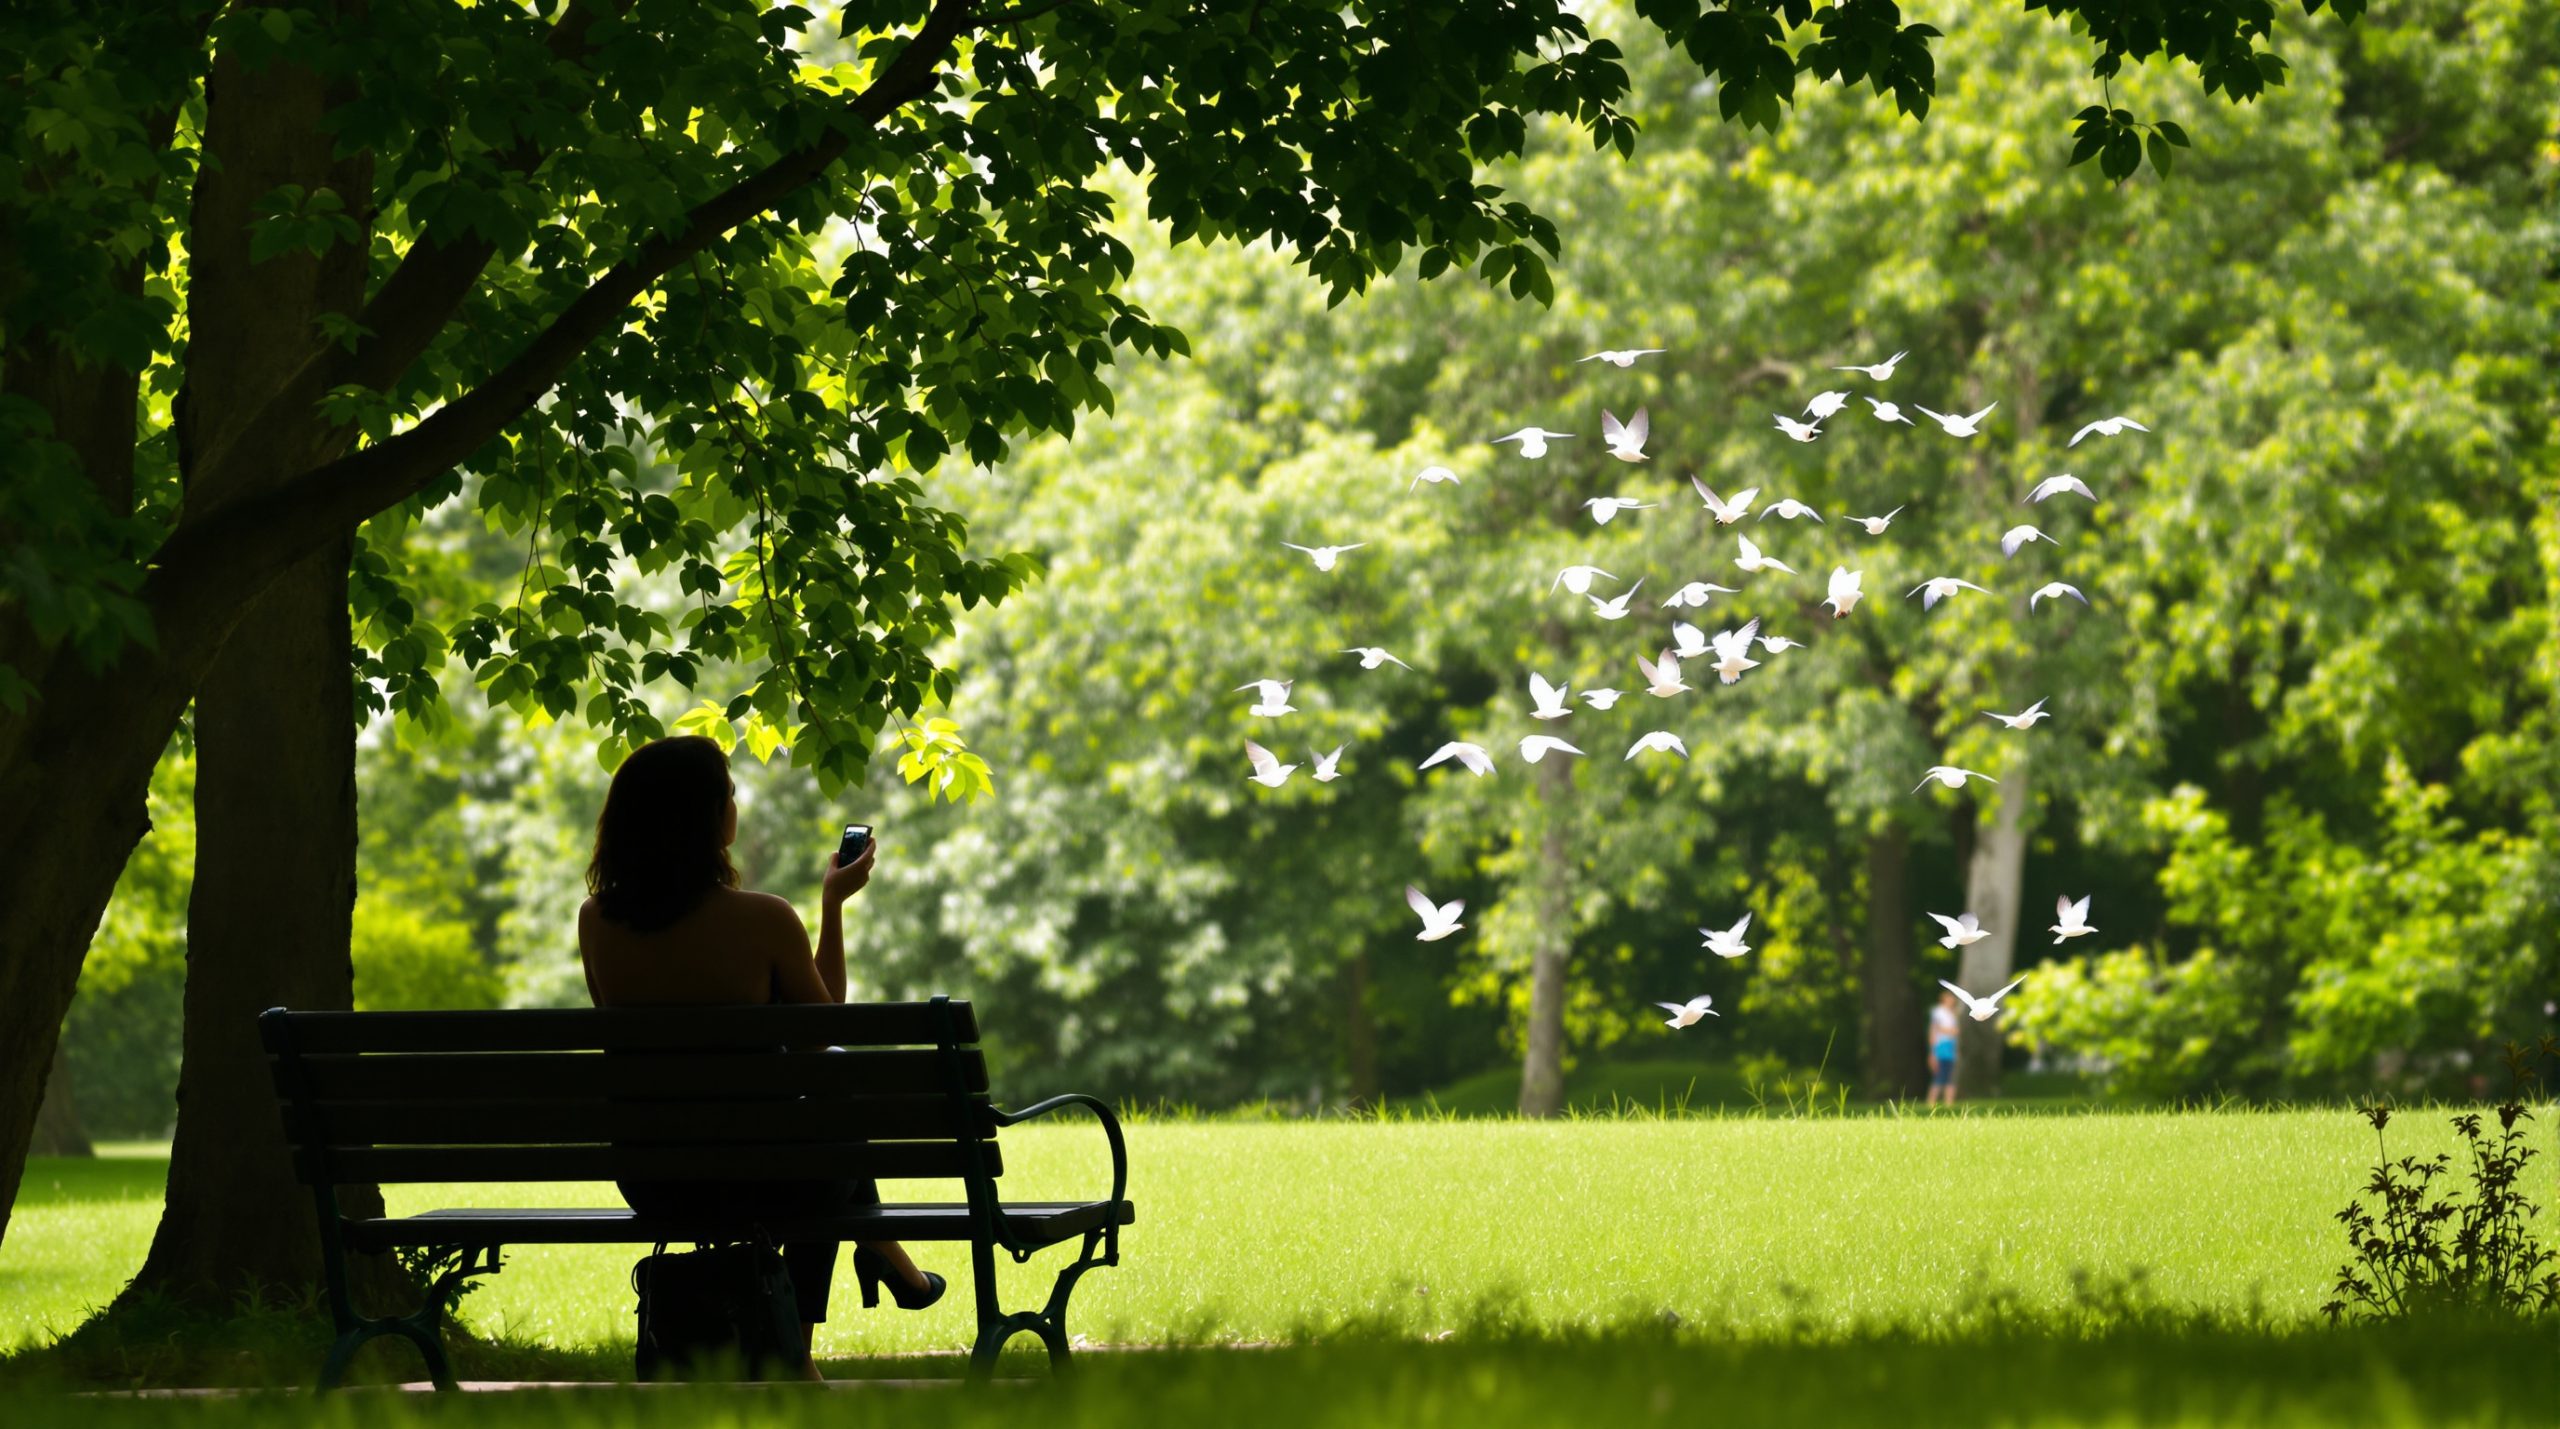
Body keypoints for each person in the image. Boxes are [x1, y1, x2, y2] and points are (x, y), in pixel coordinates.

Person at [578, 735, 943, 1381]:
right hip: (766, 1171)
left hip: (655, 1176)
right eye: (730, 792)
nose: (737, 802)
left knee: (817, 1130)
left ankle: (891, 1265)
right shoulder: (766, 919)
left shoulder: (596, 921)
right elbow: (821, 1034)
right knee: (826, 1125)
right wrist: (832, 905)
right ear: (708, 815)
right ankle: (827, 1327)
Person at [1927, 990, 1961, 1105]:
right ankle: (1931, 1102)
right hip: (1941, 1045)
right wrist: (1933, 1052)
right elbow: (1935, 1029)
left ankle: (1949, 1103)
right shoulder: (1938, 1012)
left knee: (1950, 1077)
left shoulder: (1953, 1013)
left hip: (1951, 1046)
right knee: (1940, 1076)